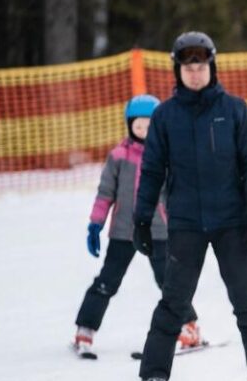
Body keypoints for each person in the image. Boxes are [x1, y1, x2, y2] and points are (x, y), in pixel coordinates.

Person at [132, 31, 247, 381]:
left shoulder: (234, 110)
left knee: (246, 299)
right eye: (188, 67)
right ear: (178, 71)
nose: (194, 73)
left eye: (200, 66)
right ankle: (153, 380)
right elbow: (151, 171)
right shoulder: (165, 116)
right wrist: (142, 219)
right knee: (174, 301)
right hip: (186, 223)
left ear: (211, 67)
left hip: (232, 222)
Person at [72, 95, 200, 358]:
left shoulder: (168, 157)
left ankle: (189, 327)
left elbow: (178, 194)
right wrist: (95, 224)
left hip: (159, 230)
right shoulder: (119, 156)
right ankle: (85, 328)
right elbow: (105, 193)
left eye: (149, 126)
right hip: (124, 230)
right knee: (108, 280)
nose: (143, 131)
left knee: (169, 281)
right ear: (130, 125)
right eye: (138, 125)